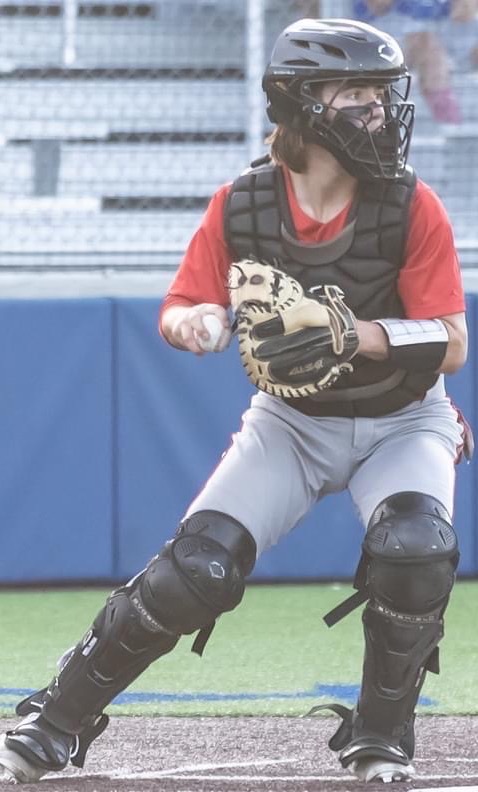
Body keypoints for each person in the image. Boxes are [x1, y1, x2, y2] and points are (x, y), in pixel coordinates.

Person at [0, 17, 472, 786]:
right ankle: (53, 722)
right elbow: (181, 305)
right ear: (301, 104)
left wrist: (353, 335)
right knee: (196, 570)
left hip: (404, 418)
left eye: (381, 94)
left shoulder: (412, 206)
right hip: (292, 423)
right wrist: (197, 321)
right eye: (355, 94)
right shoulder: (243, 204)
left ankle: (381, 740)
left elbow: (451, 343)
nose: (378, 111)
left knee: (416, 551)